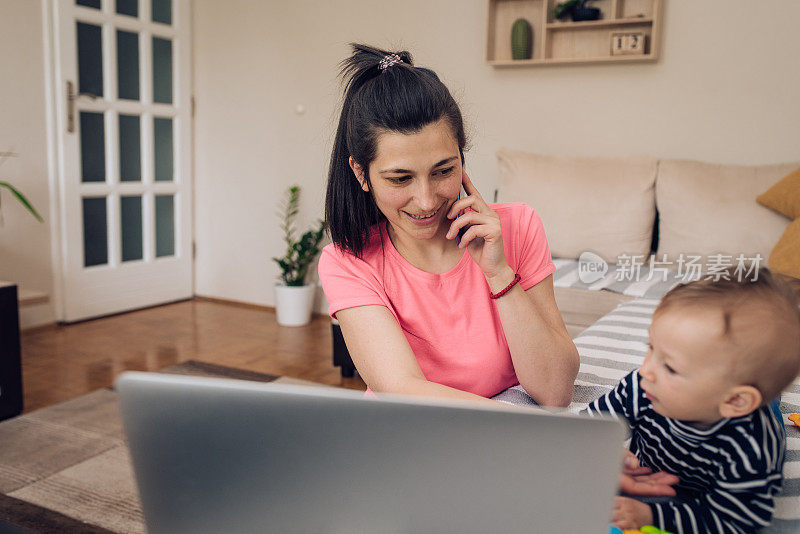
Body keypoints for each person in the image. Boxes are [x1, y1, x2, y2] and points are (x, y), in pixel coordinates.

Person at [318, 44, 579, 406]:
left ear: (462, 158)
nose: (426, 201)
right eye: (400, 178)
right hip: (414, 434)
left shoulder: (518, 226)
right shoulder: (348, 261)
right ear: (362, 174)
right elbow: (404, 392)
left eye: (443, 171)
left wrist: (499, 274)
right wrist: (525, 427)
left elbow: (555, 390)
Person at [583, 269, 800, 532]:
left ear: (735, 400)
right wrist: (606, 455)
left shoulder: (751, 445)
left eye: (670, 368)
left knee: (770, 399)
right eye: (650, 348)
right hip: (654, 470)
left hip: (711, 484)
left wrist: (652, 515)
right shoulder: (642, 387)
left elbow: (736, 521)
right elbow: (585, 430)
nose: (645, 370)